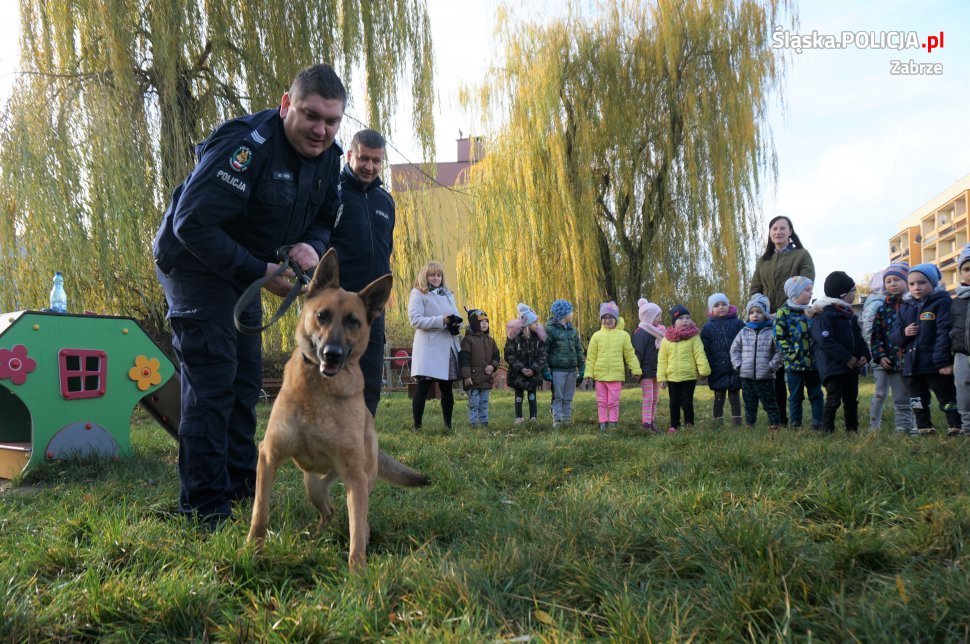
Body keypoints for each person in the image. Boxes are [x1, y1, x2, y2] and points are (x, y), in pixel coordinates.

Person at [152, 64, 346, 527]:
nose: (321, 130)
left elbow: (326, 216)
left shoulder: (329, 156)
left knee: (244, 384)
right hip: (193, 264)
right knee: (213, 382)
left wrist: (313, 246)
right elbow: (191, 223)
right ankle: (204, 509)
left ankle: (240, 489)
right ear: (286, 105)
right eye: (310, 115)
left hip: (246, 273)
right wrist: (260, 270)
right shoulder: (245, 145)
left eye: (332, 120)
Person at [328, 129, 393, 417]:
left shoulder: (385, 202)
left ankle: (363, 442)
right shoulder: (334, 193)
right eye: (364, 159)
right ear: (351, 155)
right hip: (338, 306)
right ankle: (331, 447)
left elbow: (385, 251)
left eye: (376, 161)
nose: (370, 166)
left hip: (371, 310)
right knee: (335, 375)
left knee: (369, 381)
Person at [750, 216, 815, 426]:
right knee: (775, 370)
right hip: (768, 319)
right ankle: (780, 418)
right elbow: (755, 288)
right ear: (770, 233)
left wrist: (786, 309)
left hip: (794, 318)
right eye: (774, 228)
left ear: (790, 231)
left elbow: (807, 282)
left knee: (799, 367)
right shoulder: (764, 260)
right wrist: (761, 309)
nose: (778, 232)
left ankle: (809, 414)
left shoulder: (801, 255)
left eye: (782, 228)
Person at [891, 263, 961, 436]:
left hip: (935, 364)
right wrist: (904, 333)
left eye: (922, 283)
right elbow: (893, 336)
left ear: (933, 282)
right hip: (912, 365)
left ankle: (955, 426)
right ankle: (924, 427)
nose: (917, 287)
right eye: (912, 284)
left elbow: (944, 332)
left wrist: (943, 361)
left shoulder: (942, 302)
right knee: (917, 399)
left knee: (946, 397)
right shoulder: (905, 306)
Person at [811, 271, 870, 433]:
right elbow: (825, 340)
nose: (855, 294)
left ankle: (852, 429)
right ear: (844, 294)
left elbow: (858, 338)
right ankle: (826, 429)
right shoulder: (824, 314)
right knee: (833, 399)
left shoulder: (848, 315)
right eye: (853, 291)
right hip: (834, 367)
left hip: (851, 367)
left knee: (851, 400)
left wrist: (864, 354)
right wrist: (847, 358)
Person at [408, 261, 463, 430]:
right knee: (423, 388)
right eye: (432, 275)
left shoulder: (447, 294)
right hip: (428, 347)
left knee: (447, 388)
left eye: (439, 275)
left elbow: (456, 315)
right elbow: (415, 320)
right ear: (425, 276)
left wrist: (455, 323)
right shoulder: (418, 293)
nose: (436, 278)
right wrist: (441, 320)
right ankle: (417, 426)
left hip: (447, 345)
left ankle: (448, 425)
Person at [868, 263, 915, 433]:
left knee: (917, 396)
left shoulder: (915, 304)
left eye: (897, 279)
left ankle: (921, 426)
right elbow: (877, 335)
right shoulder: (883, 308)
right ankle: (903, 428)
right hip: (894, 361)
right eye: (888, 281)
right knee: (900, 397)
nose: (892, 284)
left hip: (914, 360)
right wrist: (881, 356)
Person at [773, 276, 825, 430]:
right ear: (795, 293)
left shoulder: (812, 312)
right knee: (795, 396)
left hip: (814, 364)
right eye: (807, 290)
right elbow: (778, 336)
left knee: (816, 395)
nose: (810, 293)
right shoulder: (784, 313)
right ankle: (796, 424)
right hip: (794, 364)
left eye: (811, 290)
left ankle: (818, 423)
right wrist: (791, 353)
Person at [585, 301, 641, 431]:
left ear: (616, 319)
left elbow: (630, 354)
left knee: (613, 401)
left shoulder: (623, 335)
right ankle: (602, 422)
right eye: (604, 317)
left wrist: (636, 369)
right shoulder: (596, 336)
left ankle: (613, 422)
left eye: (611, 317)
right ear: (601, 319)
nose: (607, 320)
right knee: (601, 401)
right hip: (600, 376)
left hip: (616, 375)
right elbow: (591, 357)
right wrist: (588, 373)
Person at [730, 294, 783, 431]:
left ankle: (774, 424)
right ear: (748, 315)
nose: (755, 315)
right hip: (746, 376)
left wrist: (772, 366)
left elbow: (780, 351)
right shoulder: (744, 332)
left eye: (759, 312)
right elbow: (734, 349)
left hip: (765, 376)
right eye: (752, 312)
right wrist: (739, 365)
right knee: (749, 403)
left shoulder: (771, 332)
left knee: (770, 402)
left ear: (765, 314)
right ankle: (750, 425)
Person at [656, 304, 711, 433]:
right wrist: (661, 378)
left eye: (687, 318)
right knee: (674, 403)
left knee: (687, 402)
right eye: (681, 318)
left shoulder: (694, 337)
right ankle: (674, 425)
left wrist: (703, 371)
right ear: (674, 322)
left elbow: (699, 353)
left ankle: (689, 423)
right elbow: (662, 360)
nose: (685, 320)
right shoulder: (666, 340)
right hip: (672, 377)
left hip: (689, 376)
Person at [700, 293, 744, 427]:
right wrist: (705, 366)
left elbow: (745, 342)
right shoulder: (707, 328)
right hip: (717, 367)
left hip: (735, 366)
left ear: (729, 305)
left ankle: (737, 423)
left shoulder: (738, 323)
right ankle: (717, 423)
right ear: (711, 310)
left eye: (724, 304)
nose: (721, 307)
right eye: (716, 305)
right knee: (719, 397)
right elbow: (704, 349)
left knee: (734, 396)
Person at [542, 299, 585, 427]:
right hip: (557, 369)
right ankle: (558, 420)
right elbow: (545, 352)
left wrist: (582, 368)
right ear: (563, 314)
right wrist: (545, 370)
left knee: (568, 396)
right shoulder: (550, 330)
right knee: (558, 396)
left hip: (571, 369)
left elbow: (578, 350)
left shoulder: (572, 331)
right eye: (570, 311)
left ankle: (567, 419)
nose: (573, 314)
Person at [505, 304, 547, 423]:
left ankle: (533, 417)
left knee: (532, 395)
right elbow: (509, 354)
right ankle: (519, 417)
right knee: (518, 395)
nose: (537, 325)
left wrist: (533, 369)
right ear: (527, 324)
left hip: (533, 373)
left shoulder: (538, 338)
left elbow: (542, 355)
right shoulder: (514, 337)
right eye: (535, 322)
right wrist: (522, 369)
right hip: (518, 373)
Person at [459, 307, 500, 428]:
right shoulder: (467, 340)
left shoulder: (491, 341)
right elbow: (464, 360)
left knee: (484, 402)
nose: (485, 324)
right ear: (474, 324)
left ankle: (484, 422)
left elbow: (496, 356)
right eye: (481, 322)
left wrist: (493, 366)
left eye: (486, 321)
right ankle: (473, 423)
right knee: (474, 403)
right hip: (472, 378)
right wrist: (466, 376)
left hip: (486, 378)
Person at [632, 298, 665, 432]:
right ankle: (646, 423)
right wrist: (636, 370)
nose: (660, 318)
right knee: (648, 397)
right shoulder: (642, 333)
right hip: (645, 371)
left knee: (655, 398)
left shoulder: (659, 333)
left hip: (656, 371)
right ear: (649, 316)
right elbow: (637, 352)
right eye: (657, 316)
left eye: (660, 315)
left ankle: (652, 421)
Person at [950, 245, 970, 434]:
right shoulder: (956, 302)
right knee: (963, 389)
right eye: (967, 269)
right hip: (962, 354)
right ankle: (967, 426)